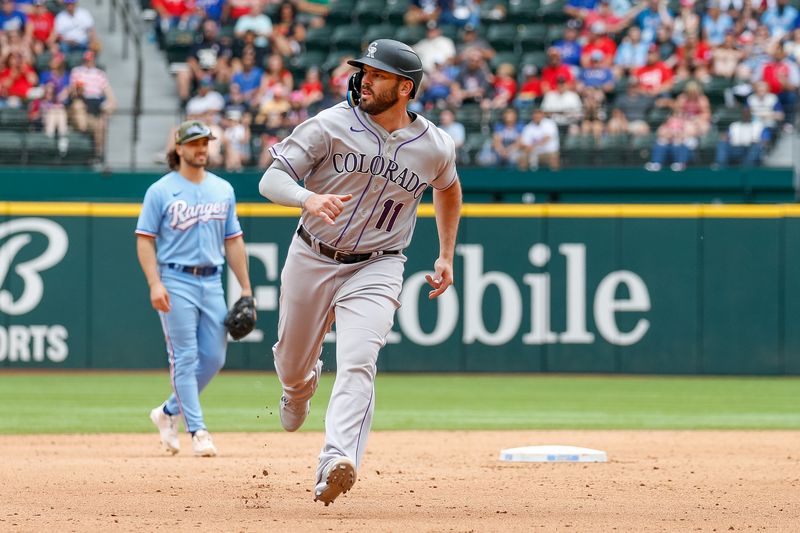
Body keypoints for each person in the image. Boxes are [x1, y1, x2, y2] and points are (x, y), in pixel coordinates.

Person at [258, 39, 462, 506]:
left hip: (379, 263)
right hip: (312, 254)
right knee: (291, 363)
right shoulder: (331, 123)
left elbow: (448, 190)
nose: (365, 78)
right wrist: (306, 197)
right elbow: (272, 178)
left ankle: (337, 459)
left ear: (405, 88)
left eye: (378, 74)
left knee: (358, 361)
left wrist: (446, 253)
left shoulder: (434, 145)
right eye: (364, 70)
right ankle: (298, 387)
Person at [136, 120, 253, 457]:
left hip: (212, 279)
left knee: (214, 358)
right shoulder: (161, 190)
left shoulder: (222, 189)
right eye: (195, 143)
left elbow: (234, 241)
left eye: (206, 143)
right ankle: (198, 430)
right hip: (176, 279)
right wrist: (155, 283)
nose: (202, 149)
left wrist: (246, 289)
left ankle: (168, 412)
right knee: (185, 358)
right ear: (179, 148)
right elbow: (145, 240)